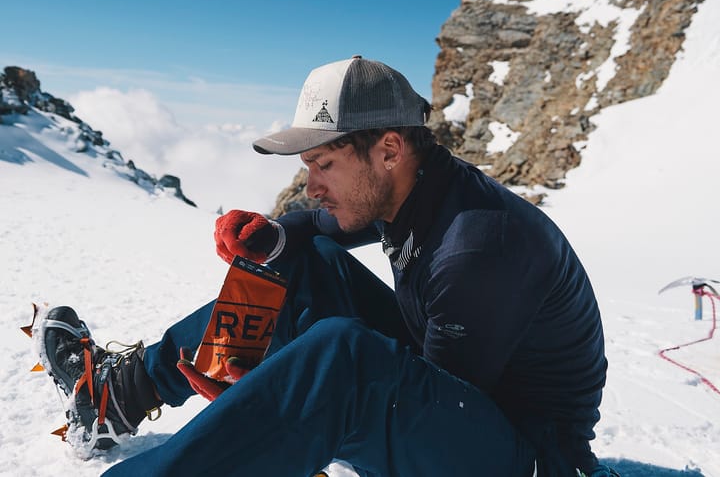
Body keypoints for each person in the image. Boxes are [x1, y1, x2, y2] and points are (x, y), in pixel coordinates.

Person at [37, 55, 613, 476]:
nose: (311, 185)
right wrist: (268, 237)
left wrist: (281, 398)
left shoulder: (476, 247)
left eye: (324, 164)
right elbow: (313, 229)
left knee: (342, 358)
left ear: (388, 150)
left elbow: (434, 399)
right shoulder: (414, 186)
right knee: (305, 265)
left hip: (535, 457)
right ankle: (116, 395)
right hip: (473, 405)